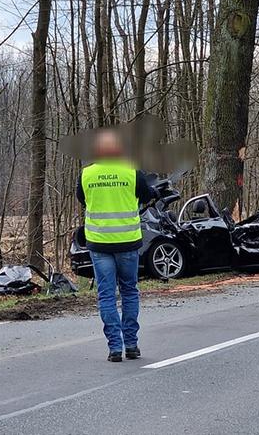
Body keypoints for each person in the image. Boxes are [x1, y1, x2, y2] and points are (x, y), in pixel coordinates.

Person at [76, 130, 157, 362]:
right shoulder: (132, 172)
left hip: (99, 243)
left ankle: (114, 347)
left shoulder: (87, 174)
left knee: (106, 295)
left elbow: (82, 199)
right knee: (129, 291)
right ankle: (131, 344)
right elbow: (146, 195)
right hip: (128, 243)